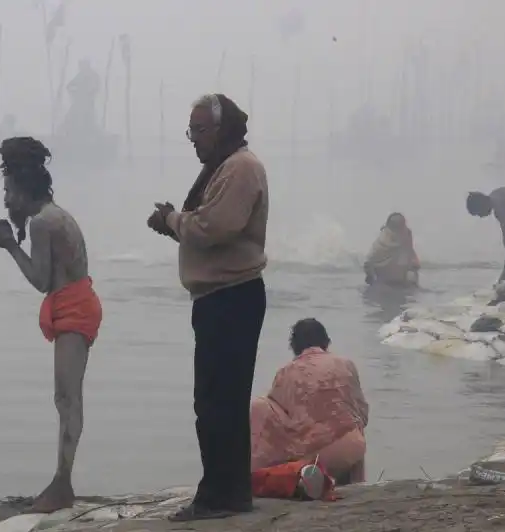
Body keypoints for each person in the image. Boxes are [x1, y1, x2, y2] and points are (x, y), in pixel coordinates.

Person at [147, 93, 268, 521]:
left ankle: (220, 495)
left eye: (200, 130)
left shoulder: (240, 168)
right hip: (219, 297)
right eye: (191, 130)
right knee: (218, 400)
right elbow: (204, 224)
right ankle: (226, 491)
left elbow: (214, 226)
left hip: (232, 296)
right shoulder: (223, 167)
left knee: (219, 402)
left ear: (222, 129)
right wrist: (177, 224)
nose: (193, 139)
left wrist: (172, 221)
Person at [0, 137, 102, 513]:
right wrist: (9, 239)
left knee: (68, 398)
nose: (6, 201)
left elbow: (41, 280)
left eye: (8, 192)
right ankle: (60, 481)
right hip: (73, 305)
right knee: (65, 398)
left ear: (22, 190)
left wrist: (8, 245)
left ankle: (62, 485)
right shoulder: (49, 216)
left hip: (75, 309)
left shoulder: (43, 223)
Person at [250, 319, 369, 485]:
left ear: (295, 345)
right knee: (353, 420)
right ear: (326, 342)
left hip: (310, 459)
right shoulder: (347, 365)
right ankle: (354, 483)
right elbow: (363, 414)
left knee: (261, 408)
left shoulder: (286, 373)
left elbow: (279, 421)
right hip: (350, 451)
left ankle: (256, 476)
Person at [467, 187, 505, 282]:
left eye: (478, 212)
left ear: (482, 204)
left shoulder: (500, 207)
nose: (480, 216)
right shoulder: (495, 196)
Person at [363, 212, 420, 287]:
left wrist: (413, 269)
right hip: (382, 285)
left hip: (403, 284)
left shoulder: (407, 238)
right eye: (398, 226)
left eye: (402, 225)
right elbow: (368, 264)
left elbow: (413, 261)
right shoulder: (380, 245)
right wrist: (371, 278)